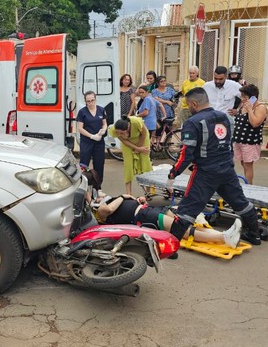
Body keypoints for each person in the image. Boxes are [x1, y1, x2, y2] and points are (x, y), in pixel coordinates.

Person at [166, 87, 261, 245]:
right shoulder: (225, 117)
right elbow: (229, 143)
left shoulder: (192, 122)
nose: (188, 108)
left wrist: (173, 174)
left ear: (194, 104)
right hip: (226, 170)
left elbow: (186, 154)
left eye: (189, 105)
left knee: (187, 209)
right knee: (240, 202)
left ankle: (171, 246)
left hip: (205, 173)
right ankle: (254, 235)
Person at [95, 193, 242, 249]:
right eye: (98, 196)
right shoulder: (102, 210)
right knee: (180, 228)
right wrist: (122, 196)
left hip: (149, 209)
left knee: (184, 219)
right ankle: (223, 238)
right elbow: (107, 211)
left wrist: (138, 199)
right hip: (144, 218)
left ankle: (225, 234)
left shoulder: (115, 200)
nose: (100, 194)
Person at [232, 84, 267, 184]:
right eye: (242, 96)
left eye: (245, 97)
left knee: (248, 165)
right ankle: (247, 184)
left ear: (253, 97)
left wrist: (250, 110)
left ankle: (249, 187)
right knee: (243, 163)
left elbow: (255, 123)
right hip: (239, 140)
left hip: (250, 141)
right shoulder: (244, 105)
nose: (242, 99)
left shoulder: (260, 107)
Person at [109, 115, 152, 195]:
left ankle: (148, 192)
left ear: (128, 127)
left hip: (142, 139)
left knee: (145, 162)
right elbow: (124, 141)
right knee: (128, 165)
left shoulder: (136, 122)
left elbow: (144, 133)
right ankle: (129, 193)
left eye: (121, 133)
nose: (119, 134)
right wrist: (137, 149)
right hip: (127, 143)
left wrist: (139, 147)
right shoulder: (114, 129)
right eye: (118, 132)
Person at [76, 91, 108, 185]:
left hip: (99, 142)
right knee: (84, 165)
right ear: (85, 101)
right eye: (88, 101)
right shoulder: (82, 112)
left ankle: (98, 187)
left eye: (92, 100)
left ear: (95, 99)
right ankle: (83, 185)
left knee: (99, 165)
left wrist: (103, 130)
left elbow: (104, 123)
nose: (90, 103)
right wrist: (92, 136)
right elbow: (80, 128)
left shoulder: (101, 110)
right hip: (86, 142)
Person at [152, 75, 176, 146]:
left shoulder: (170, 90)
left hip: (169, 112)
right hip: (159, 113)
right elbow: (156, 99)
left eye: (164, 81)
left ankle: (168, 145)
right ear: (158, 83)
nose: (163, 82)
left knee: (169, 130)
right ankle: (158, 145)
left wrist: (173, 103)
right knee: (159, 129)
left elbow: (175, 97)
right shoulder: (154, 91)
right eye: (161, 81)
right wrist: (167, 102)